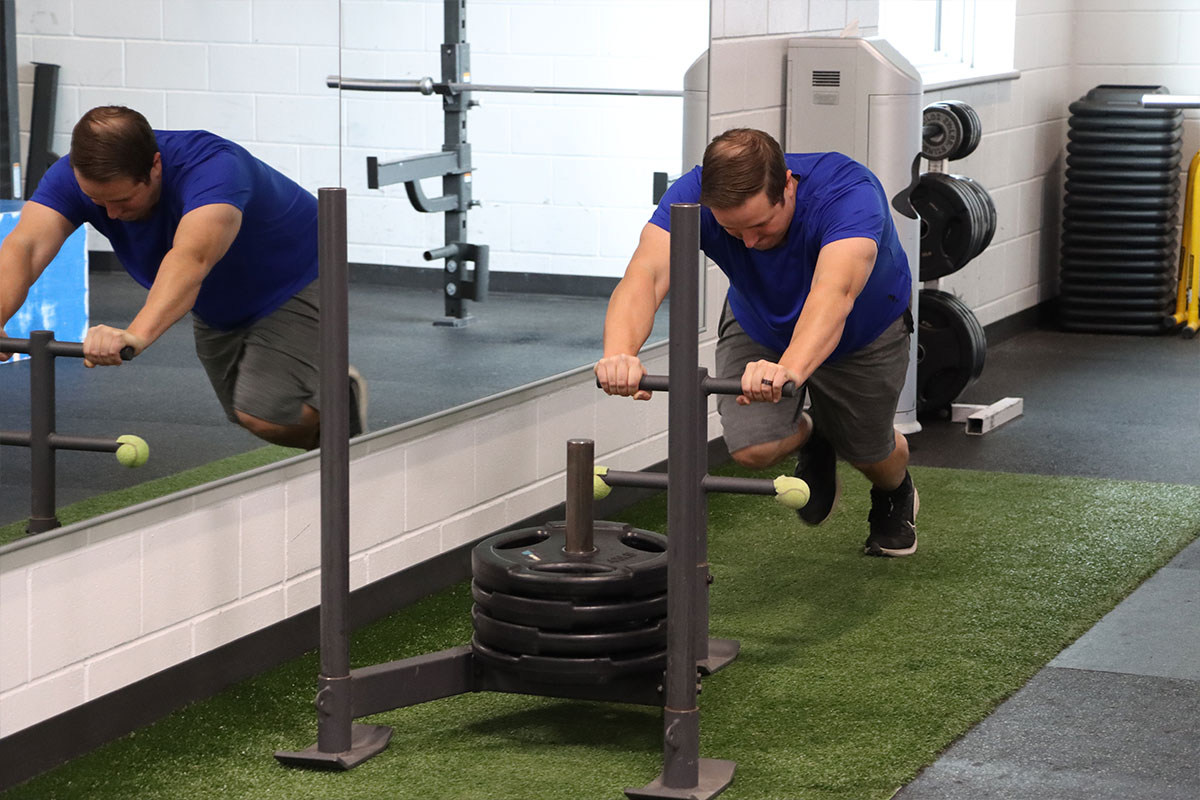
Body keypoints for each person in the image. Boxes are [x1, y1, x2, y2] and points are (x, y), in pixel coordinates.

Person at [595, 128, 917, 557]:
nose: (749, 242)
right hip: (760, 323)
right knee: (753, 448)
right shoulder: (691, 195)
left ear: (787, 185)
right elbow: (646, 275)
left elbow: (834, 293)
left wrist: (788, 370)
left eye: (760, 225)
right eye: (732, 230)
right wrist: (620, 353)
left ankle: (895, 493)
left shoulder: (848, 192)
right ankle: (815, 435)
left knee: (869, 452)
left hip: (861, 331)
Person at [0, 105, 366, 450]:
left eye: (123, 200)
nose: (110, 214)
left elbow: (191, 258)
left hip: (295, 270)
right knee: (245, 411)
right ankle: (336, 434)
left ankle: (341, 417)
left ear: (155, 166)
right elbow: (25, 247)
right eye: (97, 202)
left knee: (263, 412)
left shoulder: (214, 168)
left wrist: (134, 335)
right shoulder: (71, 177)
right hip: (218, 295)